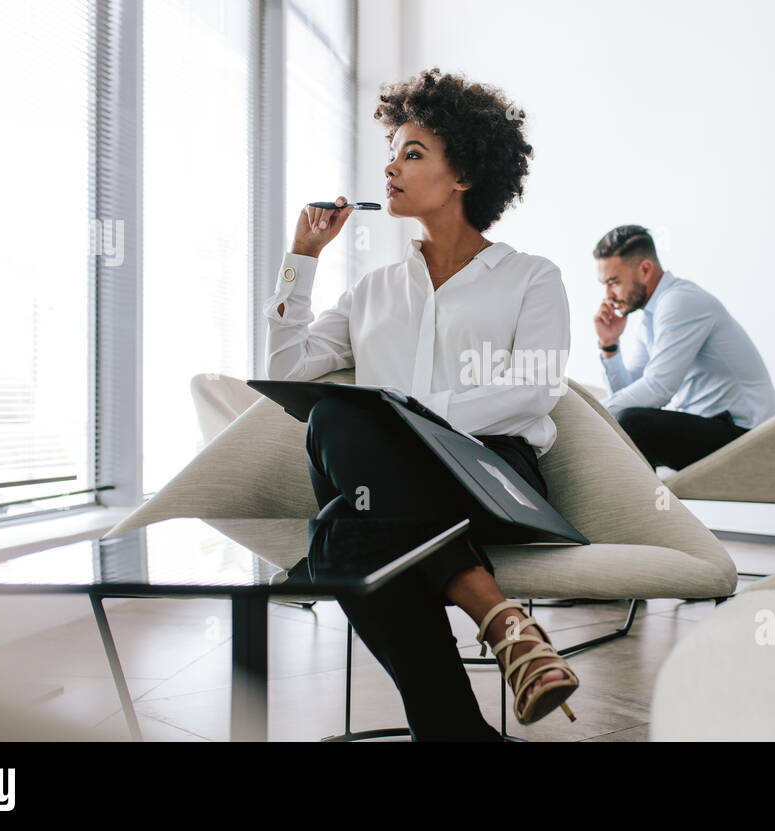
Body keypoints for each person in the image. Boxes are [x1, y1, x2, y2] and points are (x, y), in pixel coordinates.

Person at [263, 68, 578, 741]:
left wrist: (410, 416)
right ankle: (500, 628)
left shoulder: (532, 277)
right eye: (392, 153)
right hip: (392, 488)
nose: (391, 168)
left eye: (413, 153)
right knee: (333, 421)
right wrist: (303, 258)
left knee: (338, 532)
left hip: (494, 475)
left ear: (462, 173)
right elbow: (286, 367)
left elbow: (536, 388)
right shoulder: (370, 291)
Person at [592, 225, 775, 470]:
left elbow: (659, 389)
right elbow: (631, 393)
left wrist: (593, 414)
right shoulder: (651, 317)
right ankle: (628, 506)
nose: (608, 295)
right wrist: (609, 345)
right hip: (714, 427)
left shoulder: (679, 302)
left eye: (613, 282)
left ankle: (638, 508)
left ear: (645, 270)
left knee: (632, 423)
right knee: (627, 420)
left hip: (750, 436)